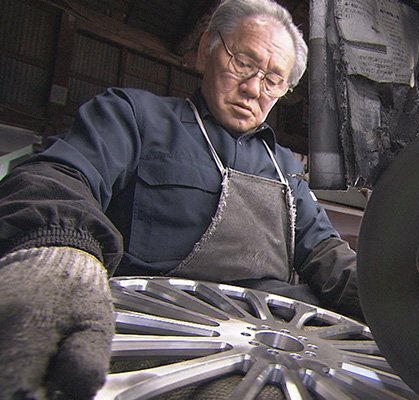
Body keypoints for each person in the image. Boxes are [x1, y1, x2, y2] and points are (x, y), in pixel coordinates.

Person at [0, 0, 361, 398]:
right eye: (243, 63)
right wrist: (60, 248)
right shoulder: (134, 116)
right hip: (154, 341)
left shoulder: (285, 168)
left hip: (274, 344)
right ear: (206, 49)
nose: (254, 89)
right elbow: (59, 175)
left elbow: (325, 253)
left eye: (273, 80)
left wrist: (387, 296)